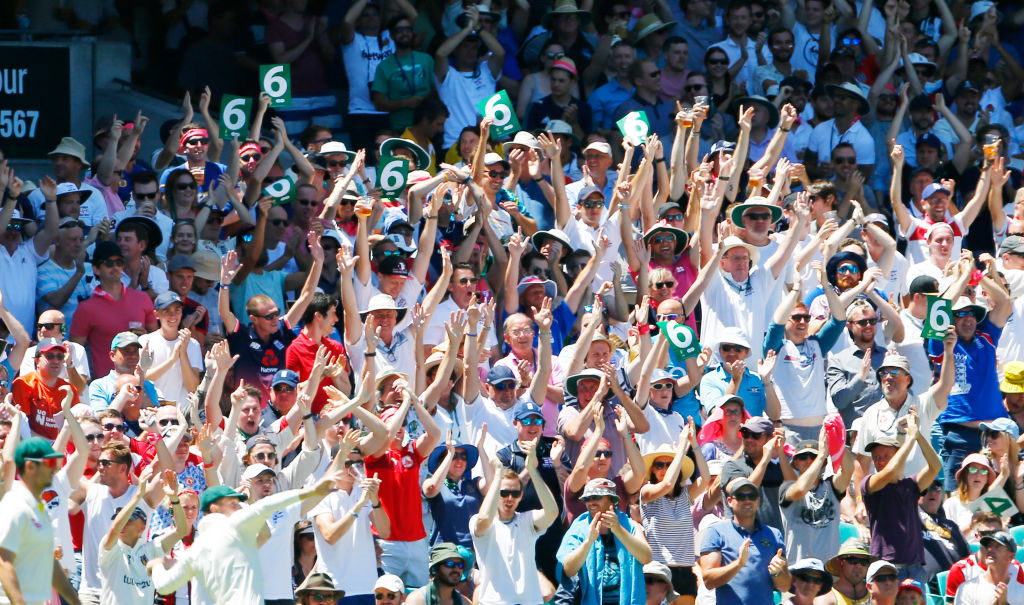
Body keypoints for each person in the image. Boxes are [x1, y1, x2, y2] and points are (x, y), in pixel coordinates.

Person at [149, 471, 342, 602]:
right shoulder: (230, 534)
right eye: (232, 503)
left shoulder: (203, 549)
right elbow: (266, 507)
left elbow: (165, 586)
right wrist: (309, 491)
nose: (238, 507)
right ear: (215, 508)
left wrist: (156, 565)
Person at [471, 443, 559, 604]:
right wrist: (497, 475)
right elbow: (484, 520)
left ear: (521, 496)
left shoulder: (527, 521)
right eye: (504, 493)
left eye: (515, 493)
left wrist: (532, 470)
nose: (509, 498)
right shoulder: (477, 520)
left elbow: (552, 512)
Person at [861, 408, 942, 583]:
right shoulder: (869, 483)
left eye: (885, 456)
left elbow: (935, 466)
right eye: (876, 457)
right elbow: (890, 472)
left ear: (897, 456)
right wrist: (910, 438)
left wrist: (918, 435)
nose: (880, 461)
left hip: (915, 567)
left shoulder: (910, 485)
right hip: (885, 566)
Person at [0, 437, 80, 605]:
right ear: (30, 467)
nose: (55, 467)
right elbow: (4, 562)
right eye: (49, 463)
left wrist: (75, 601)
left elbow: (49, 563)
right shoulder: (15, 503)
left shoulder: (40, 506)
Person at [556, 477, 653, 605]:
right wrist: (588, 542)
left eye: (596, 497)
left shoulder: (631, 525)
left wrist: (618, 530)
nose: (590, 502)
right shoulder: (579, 528)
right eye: (587, 499)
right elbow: (568, 570)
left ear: (612, 500)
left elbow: (646, 557)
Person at [69, 241, 158, 377]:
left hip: (142, 381)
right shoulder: (86, 308)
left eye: (119, 262)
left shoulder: (142, 298)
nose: (115, 267)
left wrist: (145, 337)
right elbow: (75, 355)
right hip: (106, 388)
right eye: (109, 263)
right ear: (96, 269)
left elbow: (158, 340)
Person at [99, 469, 187, 605]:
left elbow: (182, 530)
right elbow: (115, 529)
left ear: (142, 528)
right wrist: (138, 495)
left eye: (128, 521)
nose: (123, 525)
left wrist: (174, 499)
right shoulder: (111, 549)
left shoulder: (151, 549)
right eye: (121, 520)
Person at [699, 477, 790, 605]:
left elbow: (785, 587)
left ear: (757, 501)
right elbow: (708, 581)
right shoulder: (716, 532)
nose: (747, 500)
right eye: (741, 496)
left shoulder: (774, 534)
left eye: (752, 496)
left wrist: (778, 572)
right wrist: (738, 564)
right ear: (729, 501)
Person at [780, 430, 854, 563]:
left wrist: (836, 442)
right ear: (795, 463)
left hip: (829, 569)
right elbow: (801, 489)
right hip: (798, 570)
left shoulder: (832, 486)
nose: (808, 460)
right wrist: (821, 455)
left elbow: (848, 470)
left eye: (812, 457)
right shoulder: (786, 488)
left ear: (824, 463)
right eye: (803, 457)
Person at [11, 339, 80, 440]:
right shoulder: (23, 384)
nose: (56, 361)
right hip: (32, 445)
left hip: (62, 446)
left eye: (60, 356)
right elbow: (22, 425)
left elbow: (76, 426)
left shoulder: (70, 390)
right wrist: (48, 445)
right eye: (50, 356)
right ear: (37, 360)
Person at [405, 542, 472, 605]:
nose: (456, 569)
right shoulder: (417, 600)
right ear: (435, 569)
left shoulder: (464, 602)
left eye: (460, 565)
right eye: (450, 564)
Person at [818, 539, 875, 605]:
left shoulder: (876, 594)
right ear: (840, 563)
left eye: (864, 562)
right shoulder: (826, 600)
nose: (858, 566)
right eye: (853, 560)